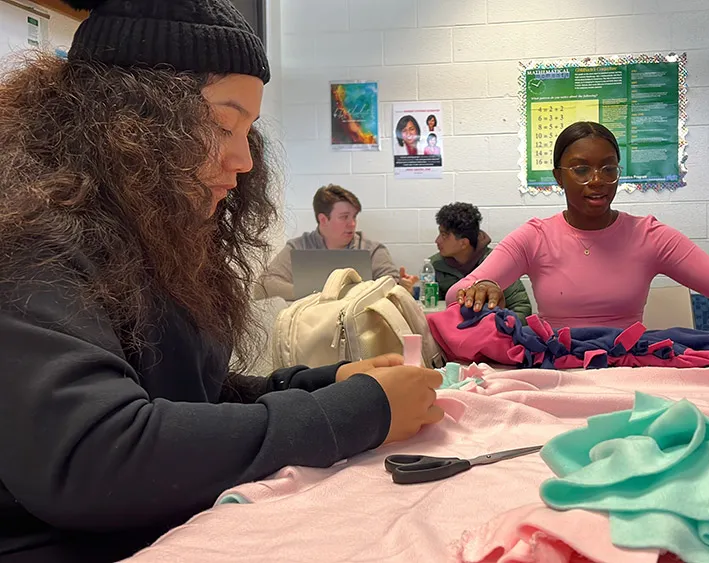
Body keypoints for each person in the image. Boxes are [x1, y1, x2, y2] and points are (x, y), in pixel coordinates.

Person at [0, 1, 443, 561]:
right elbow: (96, 455)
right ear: (128, 122)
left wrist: (323, 383)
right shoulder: (27, 242)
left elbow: (185, 395)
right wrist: (357, 412)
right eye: (220, 123)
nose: (244, 160)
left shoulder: (143, 235)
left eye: (249, 130)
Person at [447, 121, 709, 333]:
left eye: (608, 168)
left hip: (628, 367)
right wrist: (484, 286)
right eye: (581, 169)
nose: (596, 179)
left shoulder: (648, 236)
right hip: (555, 368)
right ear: (558, 177)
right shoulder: (535, 236)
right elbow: (457, 295)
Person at [254, 184, 417, 300]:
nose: (352, 223)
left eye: (354, 217)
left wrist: (402, 287)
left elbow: (391, 286)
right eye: (344, 217)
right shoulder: (298, 247)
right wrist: (320, 295)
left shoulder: (372, 250)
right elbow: (263, 286)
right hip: (311, 329)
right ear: (323, 219)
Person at [431, 203, 532, 321]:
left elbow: (522, 308)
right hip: (455, 332)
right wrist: (413, 293)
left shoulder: (497, 263)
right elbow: (433, 307)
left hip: (495, 333)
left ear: (463, 243)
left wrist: (498, 328)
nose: (437, 241)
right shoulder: (436, 265)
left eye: (444, 235)